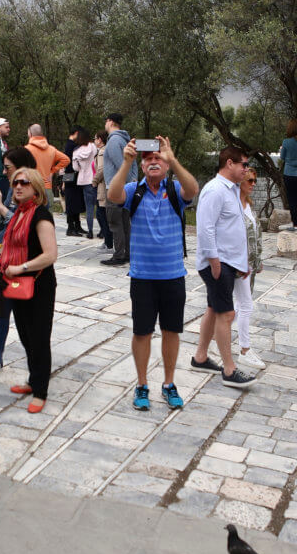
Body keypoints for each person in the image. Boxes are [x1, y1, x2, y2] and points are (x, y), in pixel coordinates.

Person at [108, 136, 200, 408]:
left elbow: (193, 189)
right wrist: (127, 163)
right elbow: (113, 196)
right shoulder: (133, 190)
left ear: (167, 165)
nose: (153, 162)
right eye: (148, 158)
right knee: (142, 333)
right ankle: (141, 384)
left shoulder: (174, 190)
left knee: (172, 331)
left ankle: (169, 383)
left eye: (158, 158)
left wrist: (173, 159)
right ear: (142, 163)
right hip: (143, 277)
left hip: (173, 276)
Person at [0, 168, 58, 413]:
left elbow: (51, 255)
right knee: (25, 335)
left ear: (36, 188)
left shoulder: (40, 215)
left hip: (39, 284)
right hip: (17, 284)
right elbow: (9, 247)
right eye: (15, 182)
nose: (19, 186)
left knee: (39, 337)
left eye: (25, 183)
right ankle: (33, 380)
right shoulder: (18, 213)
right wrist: (3, 263)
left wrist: (21, 268)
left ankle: (41, 391)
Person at [192, 146, 258, 389]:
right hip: (217, 264)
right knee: (226, 314)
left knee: (213, 308)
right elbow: (205, 227)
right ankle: (229, 370)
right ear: (229, 163)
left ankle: (200, 357)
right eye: (243, 165)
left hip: (230, 262)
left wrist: (243, 262)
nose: (246, 170)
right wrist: (214, 260)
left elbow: (232, 229)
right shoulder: (215, 190)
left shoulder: (231, 191)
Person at [0, 146, 38, 376]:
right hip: (4, 258)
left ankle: (37, 364)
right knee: (1, 309)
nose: (5, 172)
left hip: (26, 264)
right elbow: (6, 226)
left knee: (27, 316)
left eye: (8, 167)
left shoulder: (36, 193)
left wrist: (1, 208)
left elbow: (29, 224)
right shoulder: (13, 191)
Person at [235, 167, 267, 370]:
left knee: (239, 304)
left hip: (251, 263)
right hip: (238, 264)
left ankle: (232, 340)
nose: (253, 184)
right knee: (246, 305)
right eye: (250, 181)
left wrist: (259, 258)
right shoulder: (234, 206)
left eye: (255, 180)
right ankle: (244, 349)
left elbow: (257, 234)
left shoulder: (249, 205)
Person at [101, 113, 136, 266]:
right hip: (126, 188)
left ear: (110, 122)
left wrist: (125, 184)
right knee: (124, 222)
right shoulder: (124, 140)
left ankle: (119, 254)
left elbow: (122, 165)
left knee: (115, 222)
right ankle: (127, 252)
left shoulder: (114, 141)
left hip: (115, 189)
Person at [72, 129, 98, 238]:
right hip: (95, 178)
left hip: (83, 180)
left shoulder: (76, 151)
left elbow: (76, 168)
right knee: (100, 205)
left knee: (89, 207)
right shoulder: (92, 146)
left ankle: (90, 231)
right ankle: (103, 230)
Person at [94, 131, 112, 248]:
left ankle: (108, 242)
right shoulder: (107, 150)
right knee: (103, 214)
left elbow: (101, 169)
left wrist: (94, 181)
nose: (94, 140)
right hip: (106, 186)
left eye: (95, 138)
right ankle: (108, 241)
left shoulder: (102, 151)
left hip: (102, 187)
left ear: (100, 139)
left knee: (102, 215)